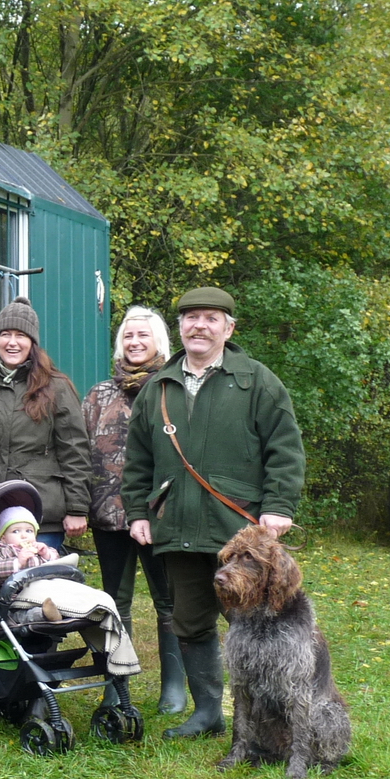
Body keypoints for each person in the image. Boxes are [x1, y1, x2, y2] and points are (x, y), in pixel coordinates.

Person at [122, 286, 305, 738]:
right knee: (189, 620)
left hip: (238, 529)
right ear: (180, 327)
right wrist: (138, 512)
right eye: (190, 318)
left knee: (258, 624)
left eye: (210, 318)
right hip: (177, 523)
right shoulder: (157, 387)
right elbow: (138, 459)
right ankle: (208, 713)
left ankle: (274, 712)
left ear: (229, 327)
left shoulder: (257, 381)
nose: (199, 325)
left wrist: (279, 506)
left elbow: (285, 450)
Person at [82, 306, 185, 714]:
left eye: (143, 335)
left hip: (162, 515)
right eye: (128, 336)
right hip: (108, 513)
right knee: (114, 603)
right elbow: (81, 452)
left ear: (159, 342)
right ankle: (115, 684)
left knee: (169, 603)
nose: (135, 342)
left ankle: (174, 688)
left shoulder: (173, 391)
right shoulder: (98, 394)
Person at [0, 297, 91, 553]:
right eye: (5, 334)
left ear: (32, 342)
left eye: (20, 335)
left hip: (39, 514)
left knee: (33, 589)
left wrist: (77, 508)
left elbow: (75, 452)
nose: (12, 342)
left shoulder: (57, 387)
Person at [0, 506, 61, 582]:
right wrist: (18, 563)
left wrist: (47, 555)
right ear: (3, 538)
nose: (24, 536)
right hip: (14, 592)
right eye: (16, 531)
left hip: (43, 585)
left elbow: (58, 562)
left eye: (29, 531)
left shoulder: (37, 548)